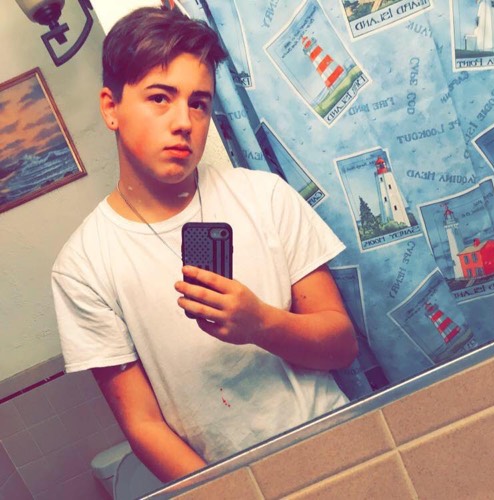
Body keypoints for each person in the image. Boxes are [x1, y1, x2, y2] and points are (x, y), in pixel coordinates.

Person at [51, 5, 358, 484]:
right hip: (227, 484)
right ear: (111, 108)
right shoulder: (83, 266)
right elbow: (142, 425)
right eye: (160, 98)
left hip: (343, 447)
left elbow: (341, 347)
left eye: (198, 103)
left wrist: (262, 324)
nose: (184, 122)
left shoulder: (265, 197)